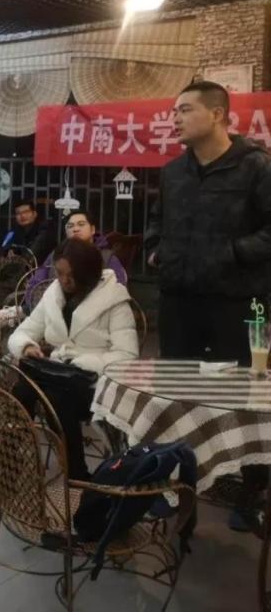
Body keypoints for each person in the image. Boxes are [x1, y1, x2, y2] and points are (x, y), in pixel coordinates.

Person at [145, 80, 271, 531]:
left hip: (234, 303)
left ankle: (252, 493)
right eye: (173, 111)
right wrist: (154, 250)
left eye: (184, 110)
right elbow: (156, 221)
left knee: (242, 399)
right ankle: (175, 485)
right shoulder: (173, 172)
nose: (174, 118)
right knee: (177, 395)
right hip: (179, 301)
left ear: (217, 114)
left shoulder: (256, 167)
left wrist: (230, 252)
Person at [9, 239, 139, 480]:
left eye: (72, 275)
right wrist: (27, 346)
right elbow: (22, 332)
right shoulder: (53, 295)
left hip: (96, 384)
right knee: (26, 386)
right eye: (59, 273)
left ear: (88, 273)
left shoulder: (114, 299)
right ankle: (14, 461)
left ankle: (72, 473)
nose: (64, 280)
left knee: (51, 395)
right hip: (59, 376)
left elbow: (127, 356)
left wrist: (83, 363)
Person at [25, 210, 126, 301]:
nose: (75, 229)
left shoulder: (106, 256)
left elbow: (119, 288)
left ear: (92, 229)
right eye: (70, 226)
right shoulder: (56, 254)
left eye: (81, 224)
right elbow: (35, 284)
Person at [1, 198, 56, 264]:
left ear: (34, 214)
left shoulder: (44, 227)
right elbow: (4, 248)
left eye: (26, 212)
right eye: (18, 213)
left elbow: (33, 251)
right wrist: (8, 251)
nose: (22, 216)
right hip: (22, 266)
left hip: (44, 266)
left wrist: (19, 258)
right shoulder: (14, 231)